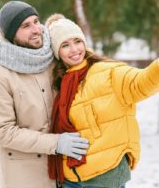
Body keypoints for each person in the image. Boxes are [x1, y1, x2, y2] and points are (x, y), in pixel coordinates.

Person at [45, 14, 159, 188]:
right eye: (65, 45)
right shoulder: (58, 83)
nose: (74, 49)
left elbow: (141, 82)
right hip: (70, 177)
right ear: (56, 51)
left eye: (77, 41)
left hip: (105, 174)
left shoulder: (108, 72)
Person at [0, 1, 89, 188]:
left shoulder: (54, 59)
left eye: (36, 21)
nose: (36, 29)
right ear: (10, 35)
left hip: (66, 172)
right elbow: (3, 132)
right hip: (25, 176)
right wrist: (56, 143)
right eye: (26, 26)